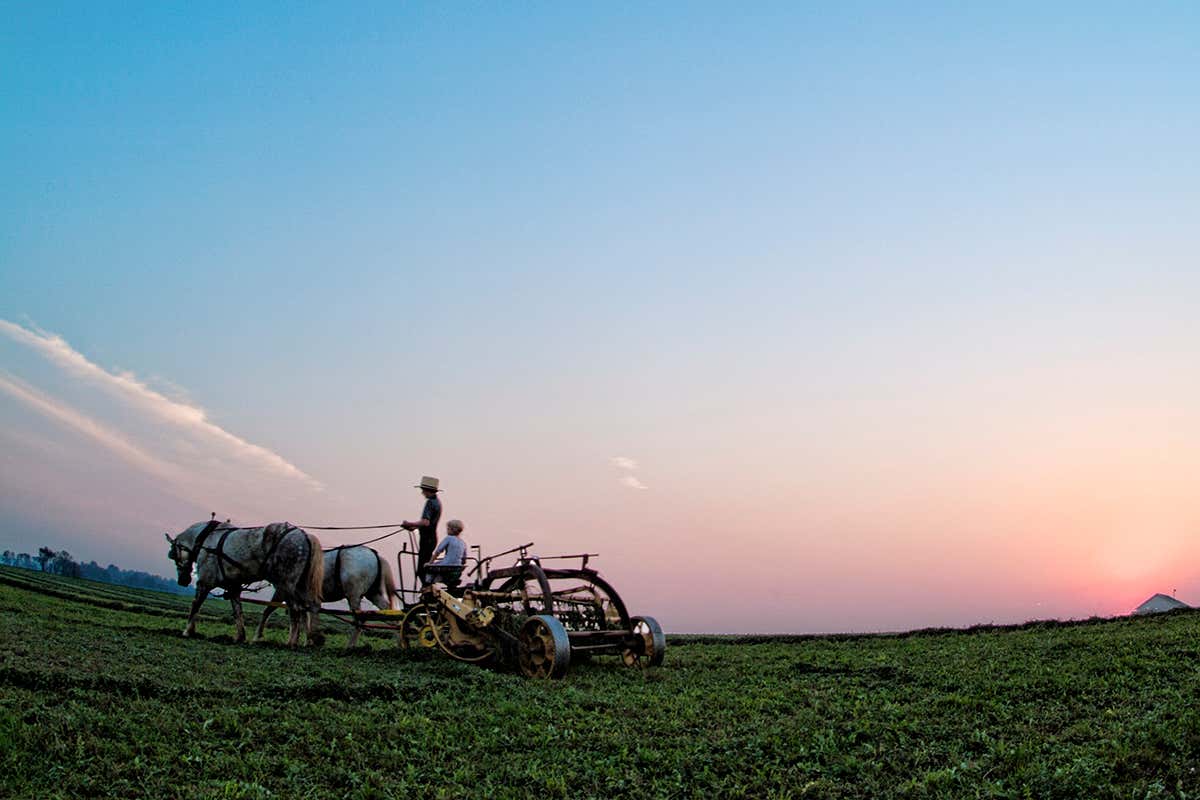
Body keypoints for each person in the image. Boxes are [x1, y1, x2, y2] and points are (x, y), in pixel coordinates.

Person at [402, 475, 442, 578]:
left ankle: (427, 590)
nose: (422, 493)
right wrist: (414, 527)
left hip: (427, 539)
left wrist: (409, 524)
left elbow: (425, 522)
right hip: (431, 538)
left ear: (427, 490)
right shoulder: (437, 502)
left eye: (423, 490)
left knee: (422, 570)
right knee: (424, 567)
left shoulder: (430, 503)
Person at [423, 518, 468, 586]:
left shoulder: (448, 538)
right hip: (457, 567)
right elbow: (464, 560)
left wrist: (430, 563)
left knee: (429, 568)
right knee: (441, 567)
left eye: (448, 528)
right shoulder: (463, 543)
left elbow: (438, 552)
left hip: (446, 565)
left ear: (451, 529)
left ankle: (428, 584)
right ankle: (449, 582)